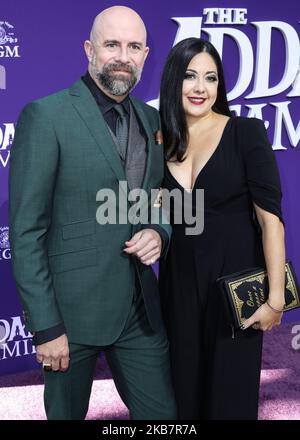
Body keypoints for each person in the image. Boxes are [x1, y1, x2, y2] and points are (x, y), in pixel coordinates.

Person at [9, 6, 176, 420]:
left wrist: (159, 230)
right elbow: (26, 231)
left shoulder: (152, 118)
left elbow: (158, 195)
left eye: (134, 46)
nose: (123, 55)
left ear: (145, 54)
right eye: (112, 44)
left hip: (139, 311)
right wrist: (46, 328)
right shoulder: (45, 116)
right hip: (69, 317)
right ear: (89, 49)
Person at [159, 37, 285, 420]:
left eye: (211, 78)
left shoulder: (245, 132)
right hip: (178, 287)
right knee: (182, 395)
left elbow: (270, 221)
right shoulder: (159, 140)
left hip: (236, 288)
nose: (201, 88)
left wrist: (275, 299)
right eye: (190, 76)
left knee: (230, 399)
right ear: (172, 81)